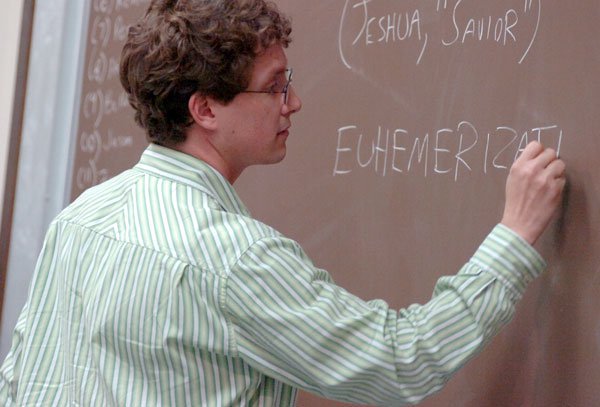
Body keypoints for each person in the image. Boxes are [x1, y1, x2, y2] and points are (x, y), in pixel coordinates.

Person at [0, 0, 566, 405]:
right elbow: (400, 362)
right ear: (206, 110)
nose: (294, 101)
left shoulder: (79, 219)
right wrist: (513, 237)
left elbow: (21, 381)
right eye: (274, 87)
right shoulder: (233, 260)